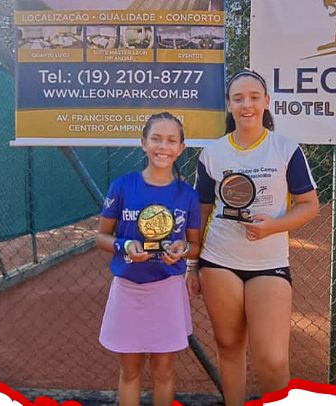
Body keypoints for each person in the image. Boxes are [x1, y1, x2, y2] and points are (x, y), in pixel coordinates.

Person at [187, 70, 319, 405]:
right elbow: (201, 211)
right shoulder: (212, 154)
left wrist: (272, 226)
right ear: (229, 105)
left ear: (266, 102)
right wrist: (192, 265)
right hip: (218, 261)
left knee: (272, 360)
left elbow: (309, 205)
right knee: (229, 347)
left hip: (269, 264)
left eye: (254, 97)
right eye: (238, 98)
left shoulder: (285, 149)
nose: (247, 104)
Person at [96, 112, 200, 406]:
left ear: (181, 147)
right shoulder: (122, 186)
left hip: (167, 289)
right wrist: (125, 245)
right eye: (156, 139)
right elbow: (101, 237)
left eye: (171, 140)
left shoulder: (187, 195)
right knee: (130, 372)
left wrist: (181, 249)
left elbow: (194, 246)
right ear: (143, 143)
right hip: (128, 288)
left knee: (163, 372)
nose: (163, 147)